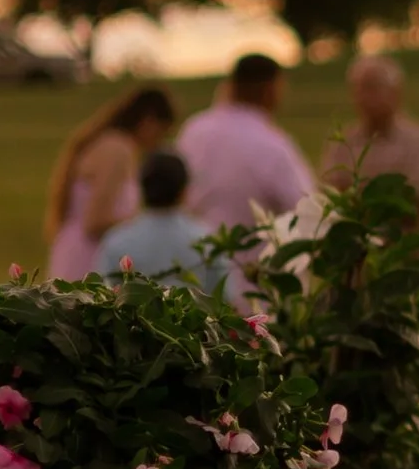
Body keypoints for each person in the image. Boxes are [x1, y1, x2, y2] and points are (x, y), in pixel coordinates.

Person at [43, 83, 177, 281]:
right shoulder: (117, 149)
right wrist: (145, 224)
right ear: (148, 121)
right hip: (88, 259)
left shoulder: (109, 143)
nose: (158, 142)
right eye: (161, 132)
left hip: (83, 252)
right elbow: (95, 222)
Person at [177, 50, 317, 232]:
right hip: (249, 256)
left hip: (194, 253)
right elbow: (306, 209)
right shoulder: (271, 143)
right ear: (271, 89)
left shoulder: (193, 130)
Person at [322, 50, 419, 224]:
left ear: (396, 93)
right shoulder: (342, 142)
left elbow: (417, 204)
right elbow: (331, 195)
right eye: (358, 89)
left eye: (372, 88)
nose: (364, 97)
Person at [103, 148, 227, 293]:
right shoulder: (206, 240)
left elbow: (103, 295)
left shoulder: (117, 241)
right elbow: (224, 297)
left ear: (141, 187)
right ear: (184, 189)